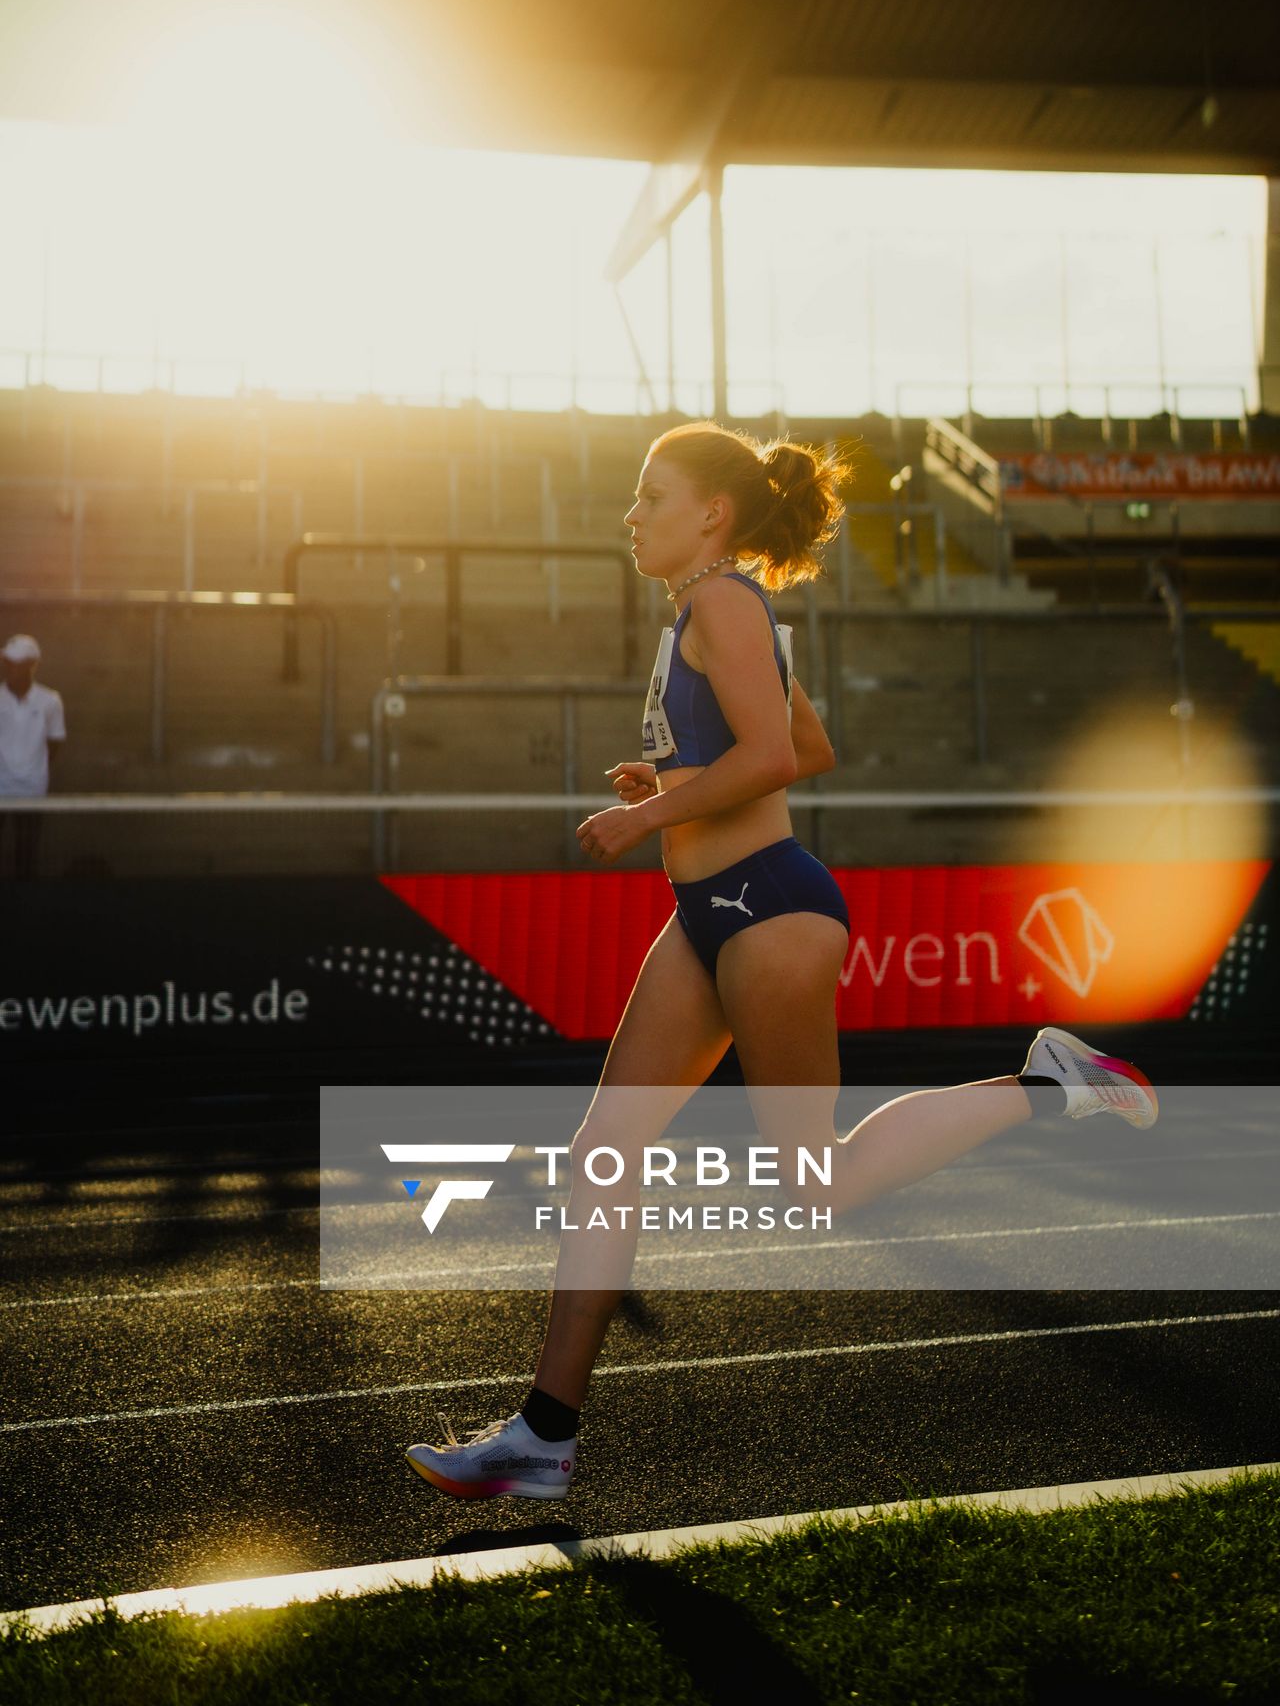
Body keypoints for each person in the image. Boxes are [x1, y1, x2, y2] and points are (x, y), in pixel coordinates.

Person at [405, 422, 1157, 1501]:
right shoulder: (712, 607)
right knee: (603, 1152)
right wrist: (668, 769)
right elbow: (805, 748)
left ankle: (1044, 1085)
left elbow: (773, 760)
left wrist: (651, 811)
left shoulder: (721, 599)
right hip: (707, 911)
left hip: (768, 910)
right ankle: (542, 1436)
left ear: (709, 513)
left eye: (648, 495)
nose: (631, 513)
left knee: (819, 1184)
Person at [0, 634, 65, 880]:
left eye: (16, 663)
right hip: (0, 786)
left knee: (27, 854)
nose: (10, 668)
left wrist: (34, 768)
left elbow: (55, 740)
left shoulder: (50, 701)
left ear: (31, 665)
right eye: (7, 662)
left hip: (32, 789)